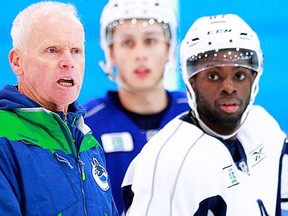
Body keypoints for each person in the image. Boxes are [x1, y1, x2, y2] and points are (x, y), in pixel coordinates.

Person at [121, 14, 287, 215]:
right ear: (191, 83)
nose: (228, 87)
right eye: (213, 76)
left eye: (239, 75)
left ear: (254, 79)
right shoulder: (171, 160)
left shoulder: (263, 129)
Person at [0, 1, 118, 215]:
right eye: (52, 50)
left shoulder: (87, 141)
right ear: (17, 62)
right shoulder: (4, 136)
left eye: (76, 51)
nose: (68, 62)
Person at [84, 0, 189, 214]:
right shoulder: (86, 126)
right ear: (110, 52)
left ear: (169, 48)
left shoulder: (198, 114)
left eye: (150, 40)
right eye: (128, 43)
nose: (140, 54)